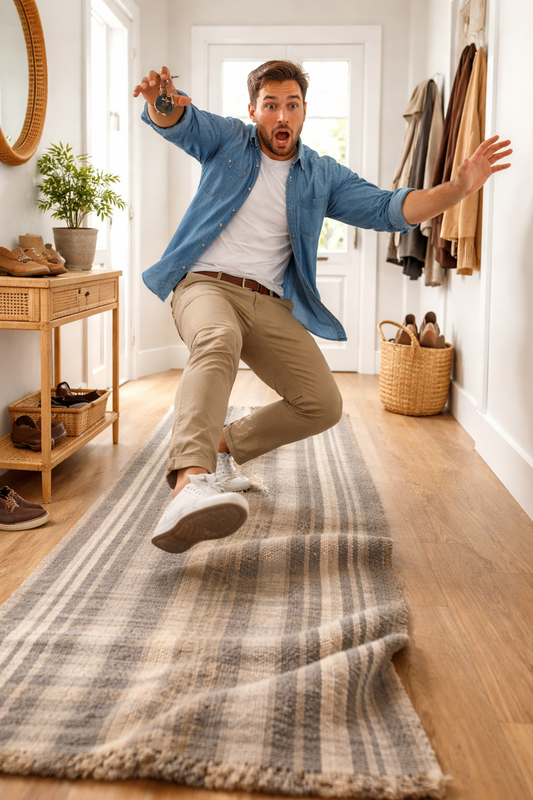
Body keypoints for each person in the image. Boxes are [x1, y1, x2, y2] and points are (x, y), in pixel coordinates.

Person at [133, 60, 511, 555]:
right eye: (271, 105)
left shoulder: (321, 174)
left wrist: (457, 189)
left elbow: (388, 208)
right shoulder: (228, 140)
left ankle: (222, 446)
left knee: (323, 405)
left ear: (305, 111)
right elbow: (179, 121)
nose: (282, 115)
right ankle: (189, 484)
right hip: (205, 285)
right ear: (254, 110)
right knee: (217, 340)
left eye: (292, 104)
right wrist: (162, 104)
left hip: (266, 300)